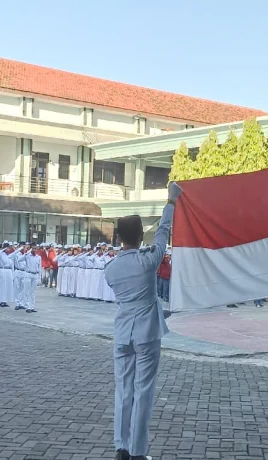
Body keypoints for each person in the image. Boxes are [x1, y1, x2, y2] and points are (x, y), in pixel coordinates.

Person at [104, 183, 178, 460]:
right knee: (143, 390)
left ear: (119, 237)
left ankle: (121, 446)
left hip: (123, 331)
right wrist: (170, 203)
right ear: (139, 235)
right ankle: (137, 450)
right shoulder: (147, 260)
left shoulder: (110, 268)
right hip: (147, 331)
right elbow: (163, 234)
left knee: (123, 390)